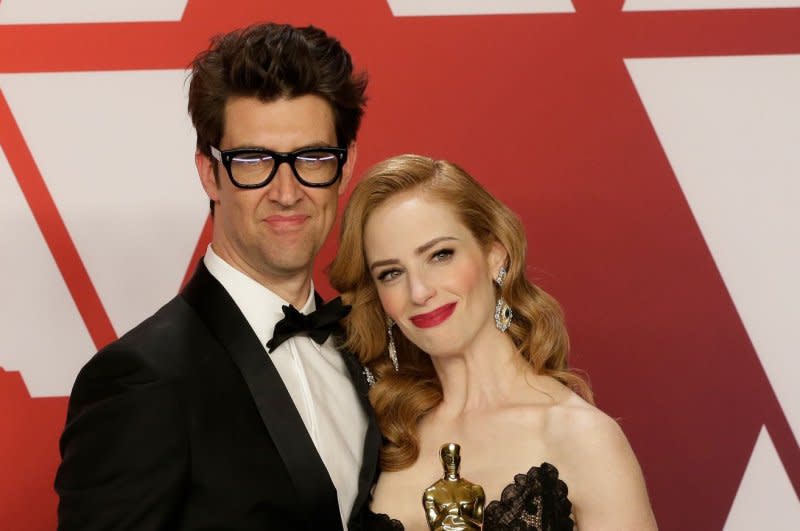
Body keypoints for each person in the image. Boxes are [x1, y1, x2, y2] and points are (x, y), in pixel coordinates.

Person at [55, 23, 381, 530]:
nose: (287, 192)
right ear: (210, 172)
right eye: (254, 161)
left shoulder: (372, 348)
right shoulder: (141, 379)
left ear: (346, 165)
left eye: (312, 158)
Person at [329, 154, 658, 530]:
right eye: (391, 273)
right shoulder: (382, 439)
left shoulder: (584, 438)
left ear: (494, 255)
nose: (418, 291)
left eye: (440, 255)